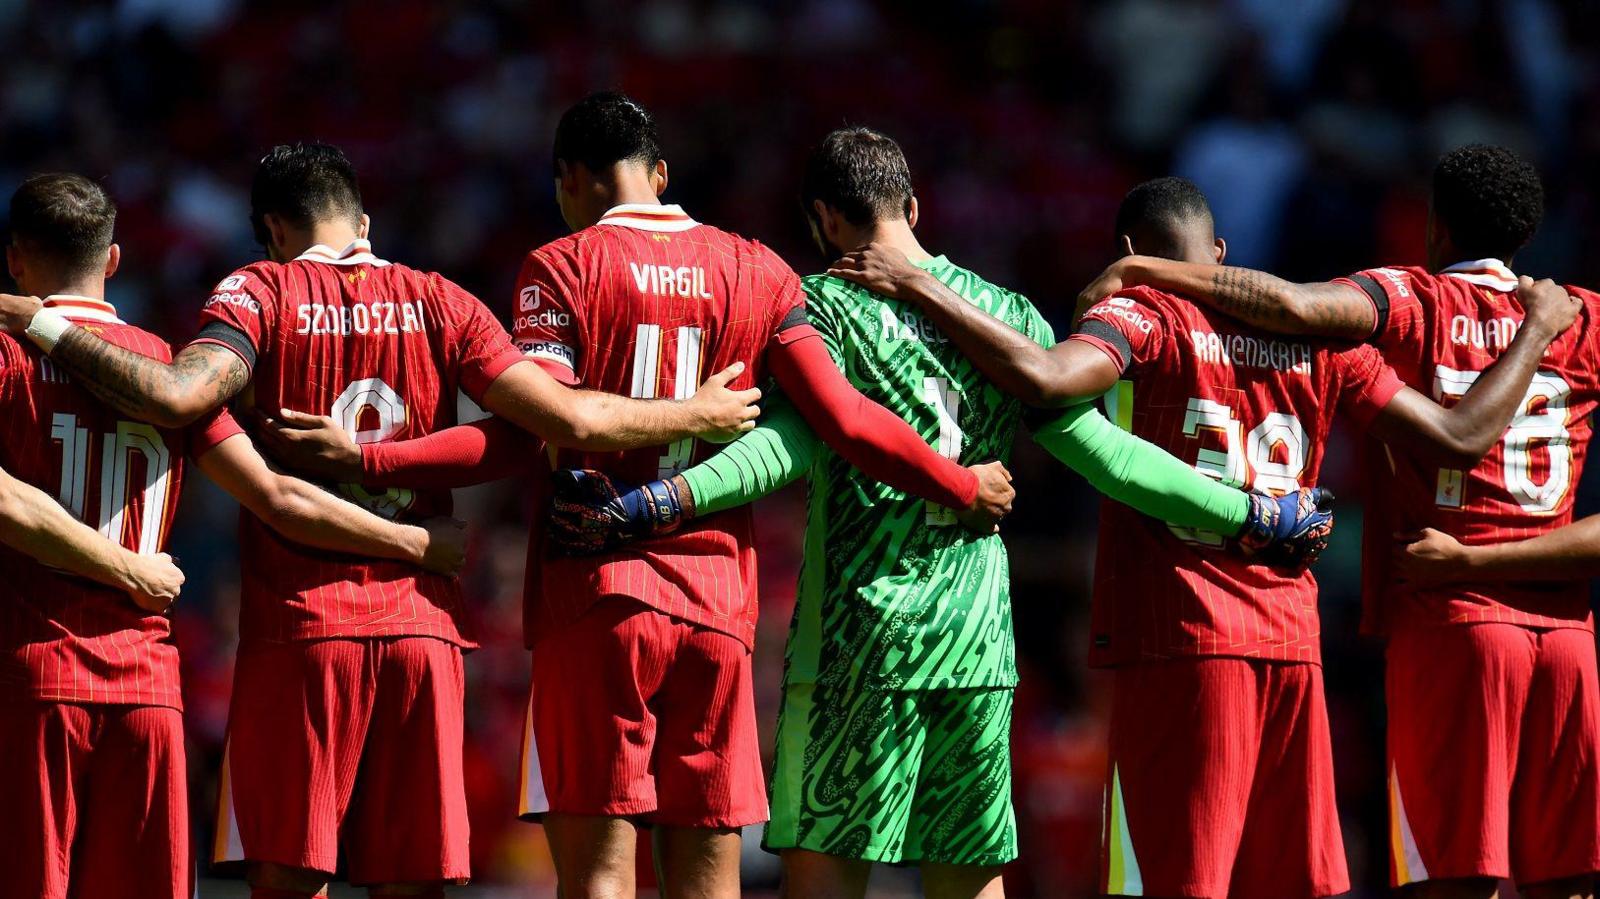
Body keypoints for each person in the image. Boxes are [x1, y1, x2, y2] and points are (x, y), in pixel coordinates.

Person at [252, 97, 1016, 899]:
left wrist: (373, 458)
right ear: (658, 174)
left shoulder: (563, 265)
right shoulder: (758, 268)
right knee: (708, 871)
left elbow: (522, 431)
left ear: (571, 180)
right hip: (720, 602)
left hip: (600, 593)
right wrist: (962, 482)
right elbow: (845, 419)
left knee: (602, 872)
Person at [543, 129, 1336, 899]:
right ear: (914, 208)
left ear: (823, 219)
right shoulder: (1010, 317)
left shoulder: (816, 310)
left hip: (861, 644)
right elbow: (1111, 457)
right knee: (971, 876)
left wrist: (655, 502)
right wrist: (1251, 511)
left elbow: (780, 449)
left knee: (824, 872)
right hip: (978, 644)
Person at [0, 146, 754, 898]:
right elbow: (538, 429)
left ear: (272, 230)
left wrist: (39, 324)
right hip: (422, 632)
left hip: (300, 631)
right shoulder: (444, 298)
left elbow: (184, 399)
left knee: (290, 877)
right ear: (361, 219)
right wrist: (694, 413)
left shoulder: (258, 290)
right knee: (416, 881)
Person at [826, 175, 1578, 899]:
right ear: (1217, 252)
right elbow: (1452, 434)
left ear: (1131, 246)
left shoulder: (1144, 313)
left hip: (1181, 639)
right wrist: (1537, 329)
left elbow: (1050, 380)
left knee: (1171, 879)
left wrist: (921, 283)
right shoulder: (1318, 337)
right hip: (1292, 646)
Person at [1083, 147, 1600, 899]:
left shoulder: (1409, 297)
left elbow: (1293, 308)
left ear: (1434, 228)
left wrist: (1148, 273)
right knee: (1572, 884)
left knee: (1457, 879)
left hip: (1450, 624)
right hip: (1569, 640)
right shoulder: (1581, 315)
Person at [0, 173, 468, 899]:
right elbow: (279, 495)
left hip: (29, 681)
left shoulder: (8, 354)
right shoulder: (164, 360)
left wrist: (122, 565)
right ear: (114, 259)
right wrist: (414, 542)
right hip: (149, 697)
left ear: (15, 260)